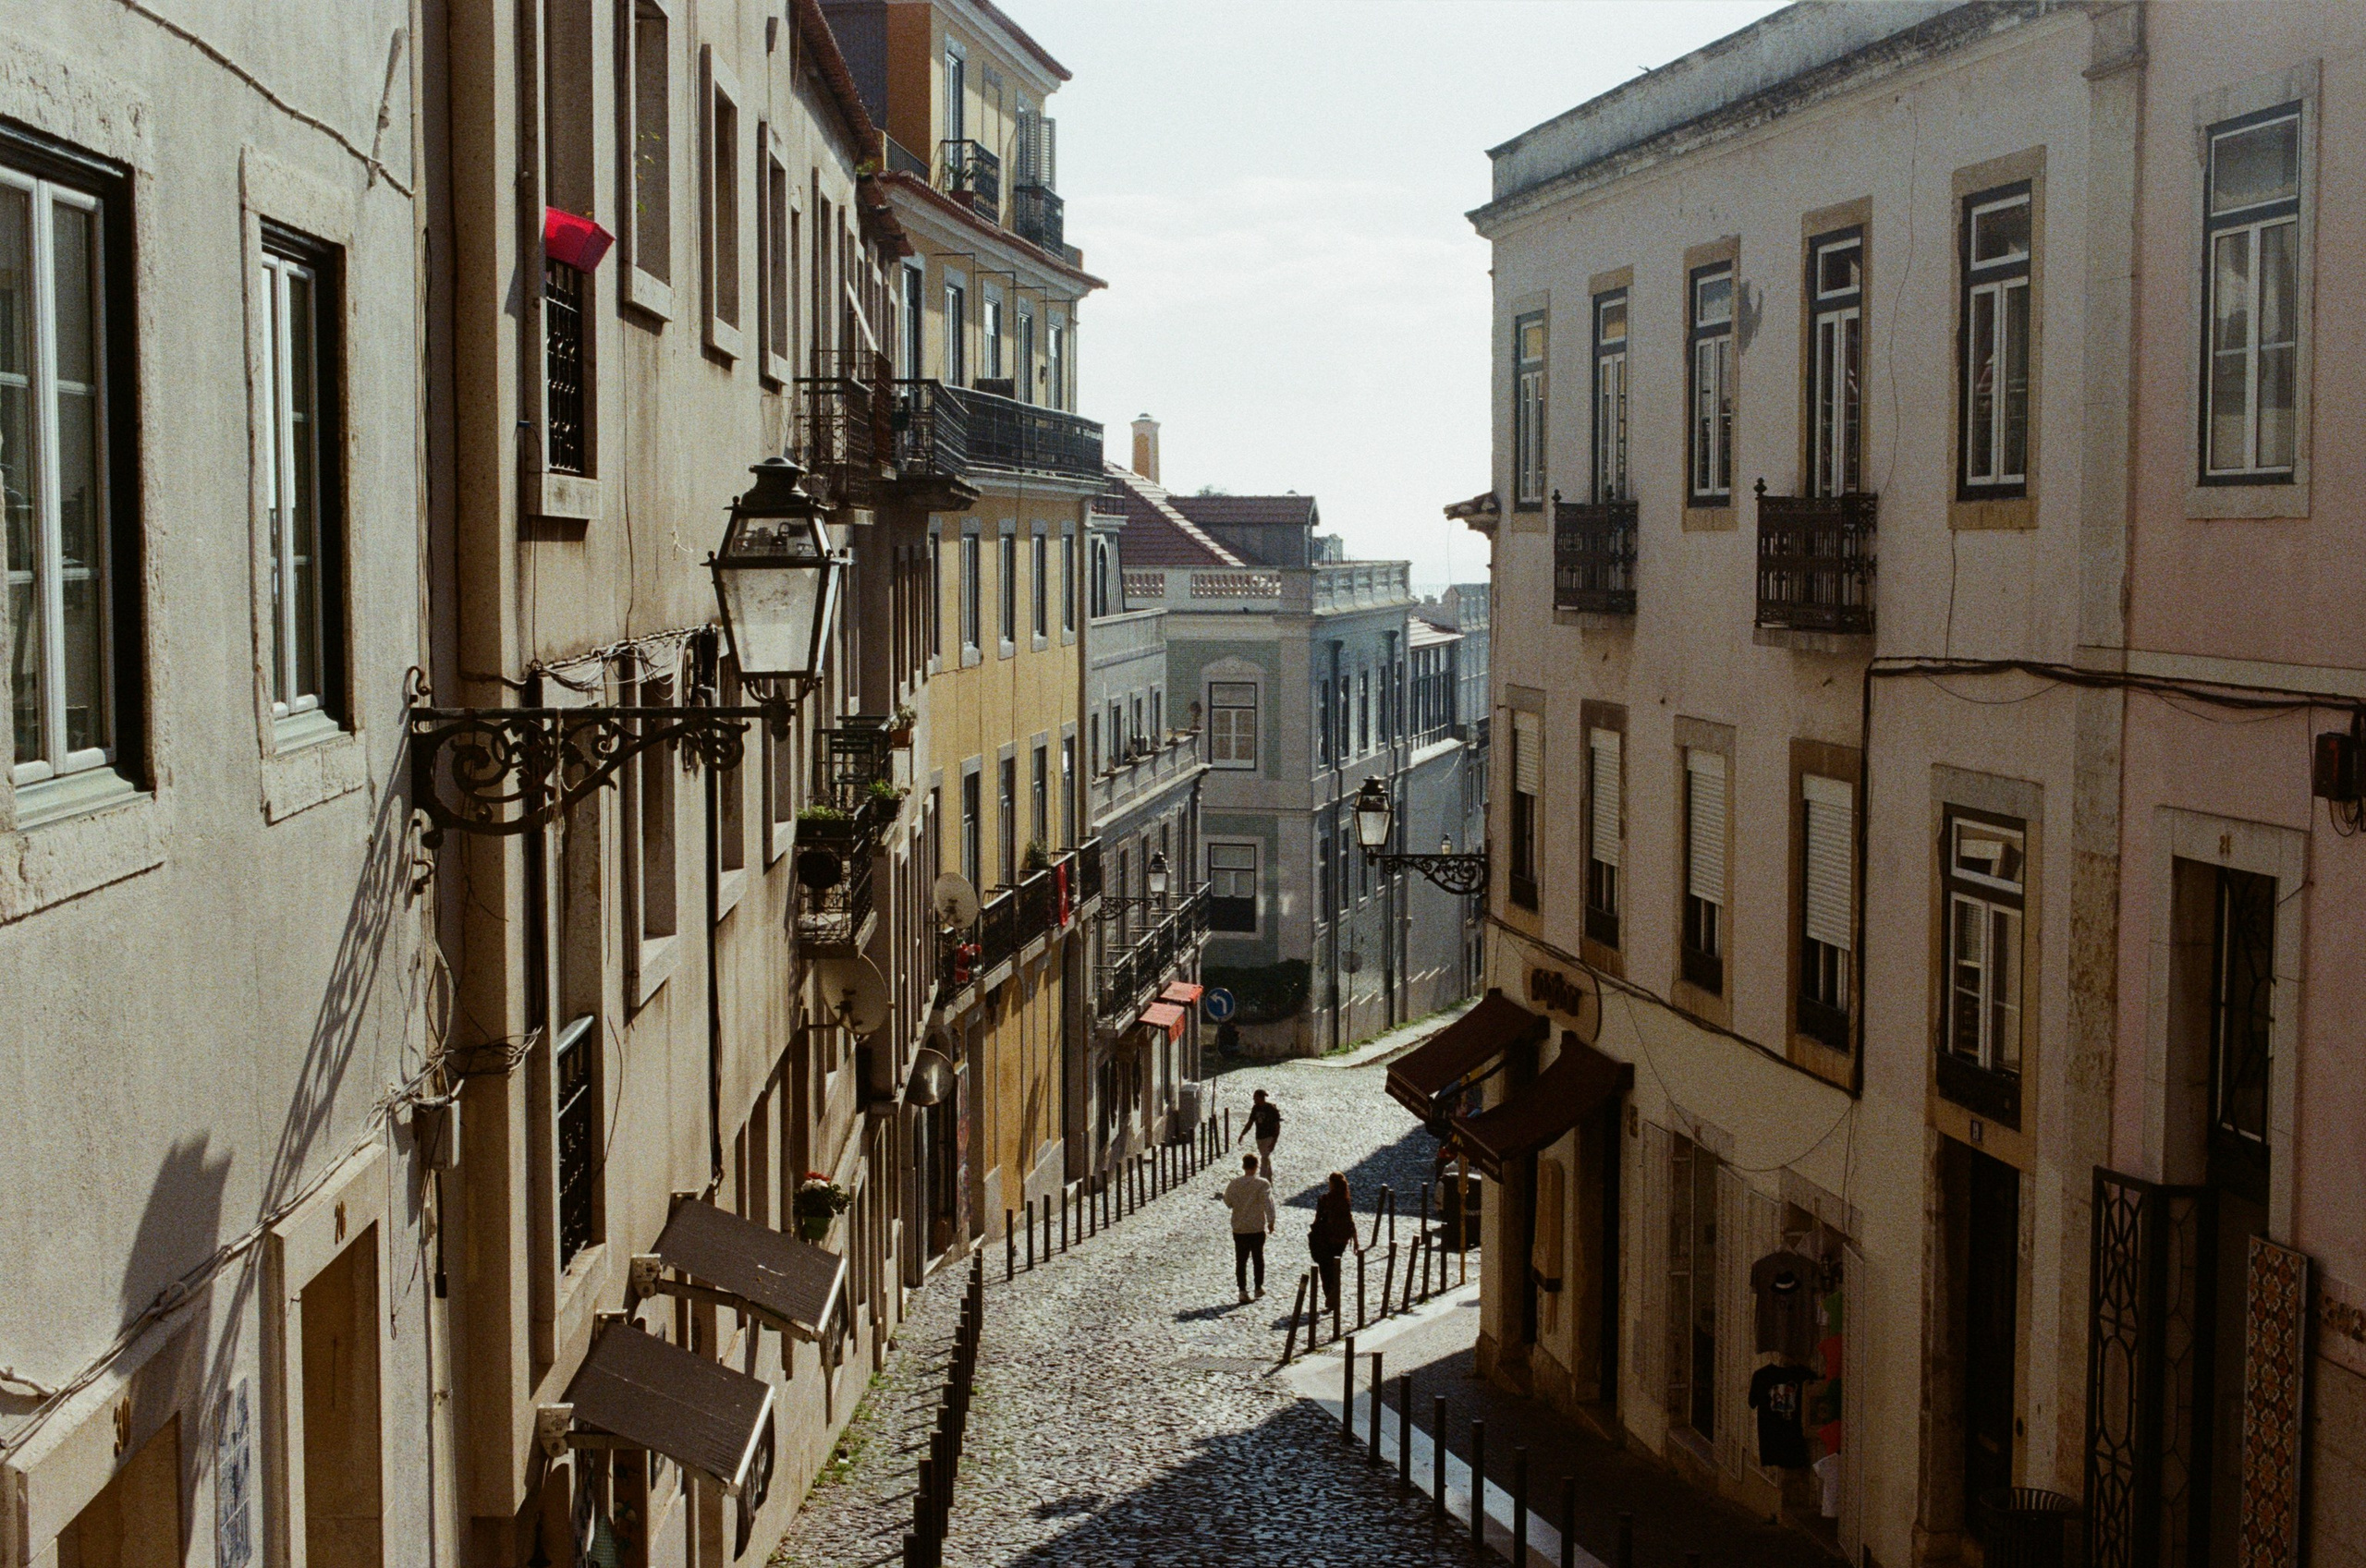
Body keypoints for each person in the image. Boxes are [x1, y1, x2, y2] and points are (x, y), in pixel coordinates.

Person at [1216, 1153, 1277, 1303]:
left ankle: (1242, 1291)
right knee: (1258, 1258)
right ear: (1256, 1166)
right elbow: (1267, 1203)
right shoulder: (1263, 1184)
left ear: (1243, 1166)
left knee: (1241, 1260)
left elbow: (1228, 1202)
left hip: (1239, 1228)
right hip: (1256, 1227)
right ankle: (1258, 1287)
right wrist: (1271, 1221)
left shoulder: (1234, 1184)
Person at [1311, 1172, 1358, 1317]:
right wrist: (1355, 1239)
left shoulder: (1324, 1199)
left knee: (1325, 1268)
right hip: (1342, 1239)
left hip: (1327, 1238)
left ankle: (1331, 1294)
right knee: (1335, 1265)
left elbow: (1318, 1219)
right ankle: (1334, 1292)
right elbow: (1349, 1219)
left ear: (1331, 1183)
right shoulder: (1344, 1199)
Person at [1237, 1088, 1283, 1178]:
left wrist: (1274, 1141)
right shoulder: (1255, 1108)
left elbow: (1277, 1126)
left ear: (1261, 1097)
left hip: (1269, 1136)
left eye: (1255, 1097)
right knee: (1265, 1157)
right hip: (1259, 1137)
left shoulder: (1271, 1109)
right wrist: (1243, 1134)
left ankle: (1262, 1179)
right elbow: (1250, 1122)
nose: (1254, 1099)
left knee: (1264, 1158)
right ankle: (1268, 1180)